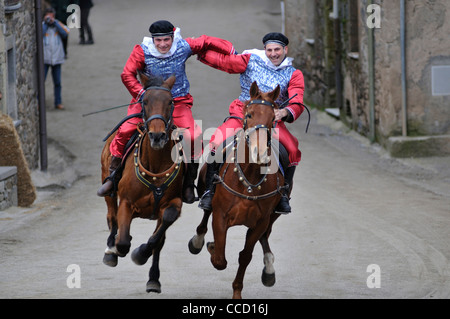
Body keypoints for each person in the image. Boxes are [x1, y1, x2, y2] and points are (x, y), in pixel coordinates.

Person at [97, 20, 236, 203]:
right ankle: (113, 176)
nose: (162, 44)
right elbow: (127, 74)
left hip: (177, 102)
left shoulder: (183, 46)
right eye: (159, 41)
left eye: (166, 40)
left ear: (173, 37)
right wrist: (142, 94)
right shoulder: (142, 50)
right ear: (153, 40)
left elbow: (205, 41)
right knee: (124, 130)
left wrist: (230, 50)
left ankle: (188, 182)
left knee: (194, 136)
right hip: (147, 102)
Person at [197, 32, 305, 214]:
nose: (273, 54)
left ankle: (283, 194)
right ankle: (209, 190)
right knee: (217, 141)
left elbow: (297, 99)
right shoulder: (250, 60)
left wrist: (285, 111)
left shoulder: (294, 73)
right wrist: (199, 52)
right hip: (243, 114)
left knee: (292, 149)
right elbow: (225, 63)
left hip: (271, 120)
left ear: (285, 49)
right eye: (269, 50)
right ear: (265, 50)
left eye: (277, 49)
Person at [43, 7, 70, 110]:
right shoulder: (42, 26)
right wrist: (46, 23)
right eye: (48, 16)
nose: (50, 18)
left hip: (57, 58)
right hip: (45, 59)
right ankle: (39, 102)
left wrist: (55, 23)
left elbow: (65, 33)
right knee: (42, 81)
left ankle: (58, 102)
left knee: (57, 82)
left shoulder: (58, 25)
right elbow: (40, 34)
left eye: (52, 16)